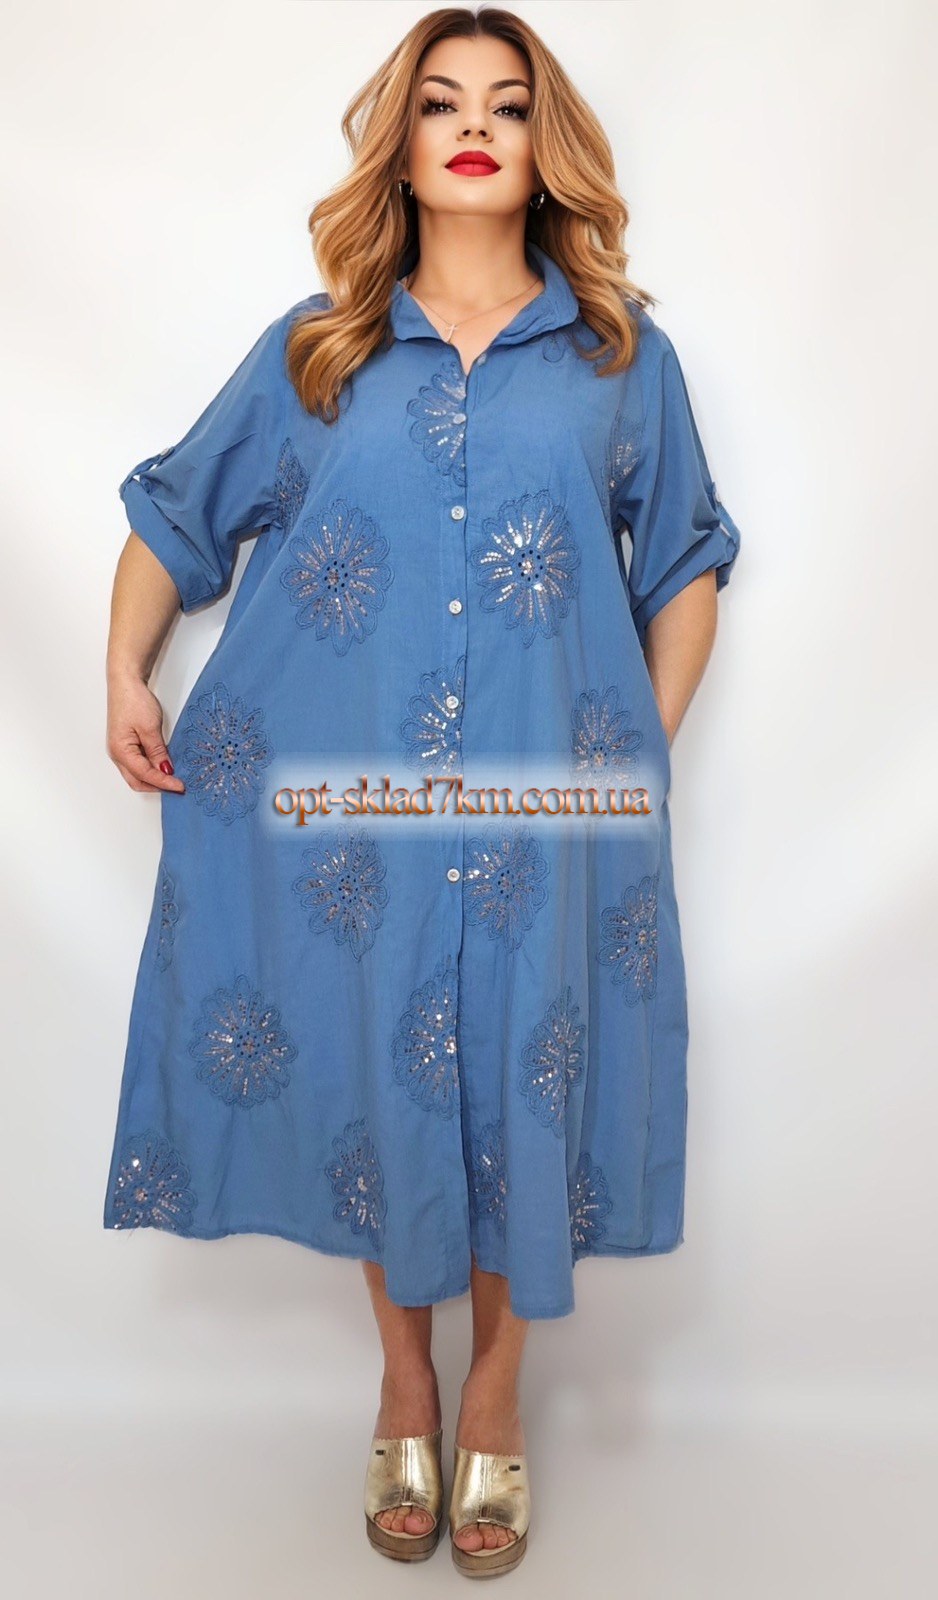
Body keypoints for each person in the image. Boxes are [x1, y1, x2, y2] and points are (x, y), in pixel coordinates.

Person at [102, 5, 741, 1579]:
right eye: (441, 103)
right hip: (354, 819)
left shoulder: (616, 361)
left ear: (543, 146)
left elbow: (684, 563)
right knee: (382, 1085)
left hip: (543, 827)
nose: (473, 128)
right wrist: (123, 669)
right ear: (398, 145)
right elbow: (175, 520)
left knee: (526, 1081)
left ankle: (497, 1396)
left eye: (507, 106)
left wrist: (635, 749)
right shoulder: (316, 352)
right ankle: (404, 1382)